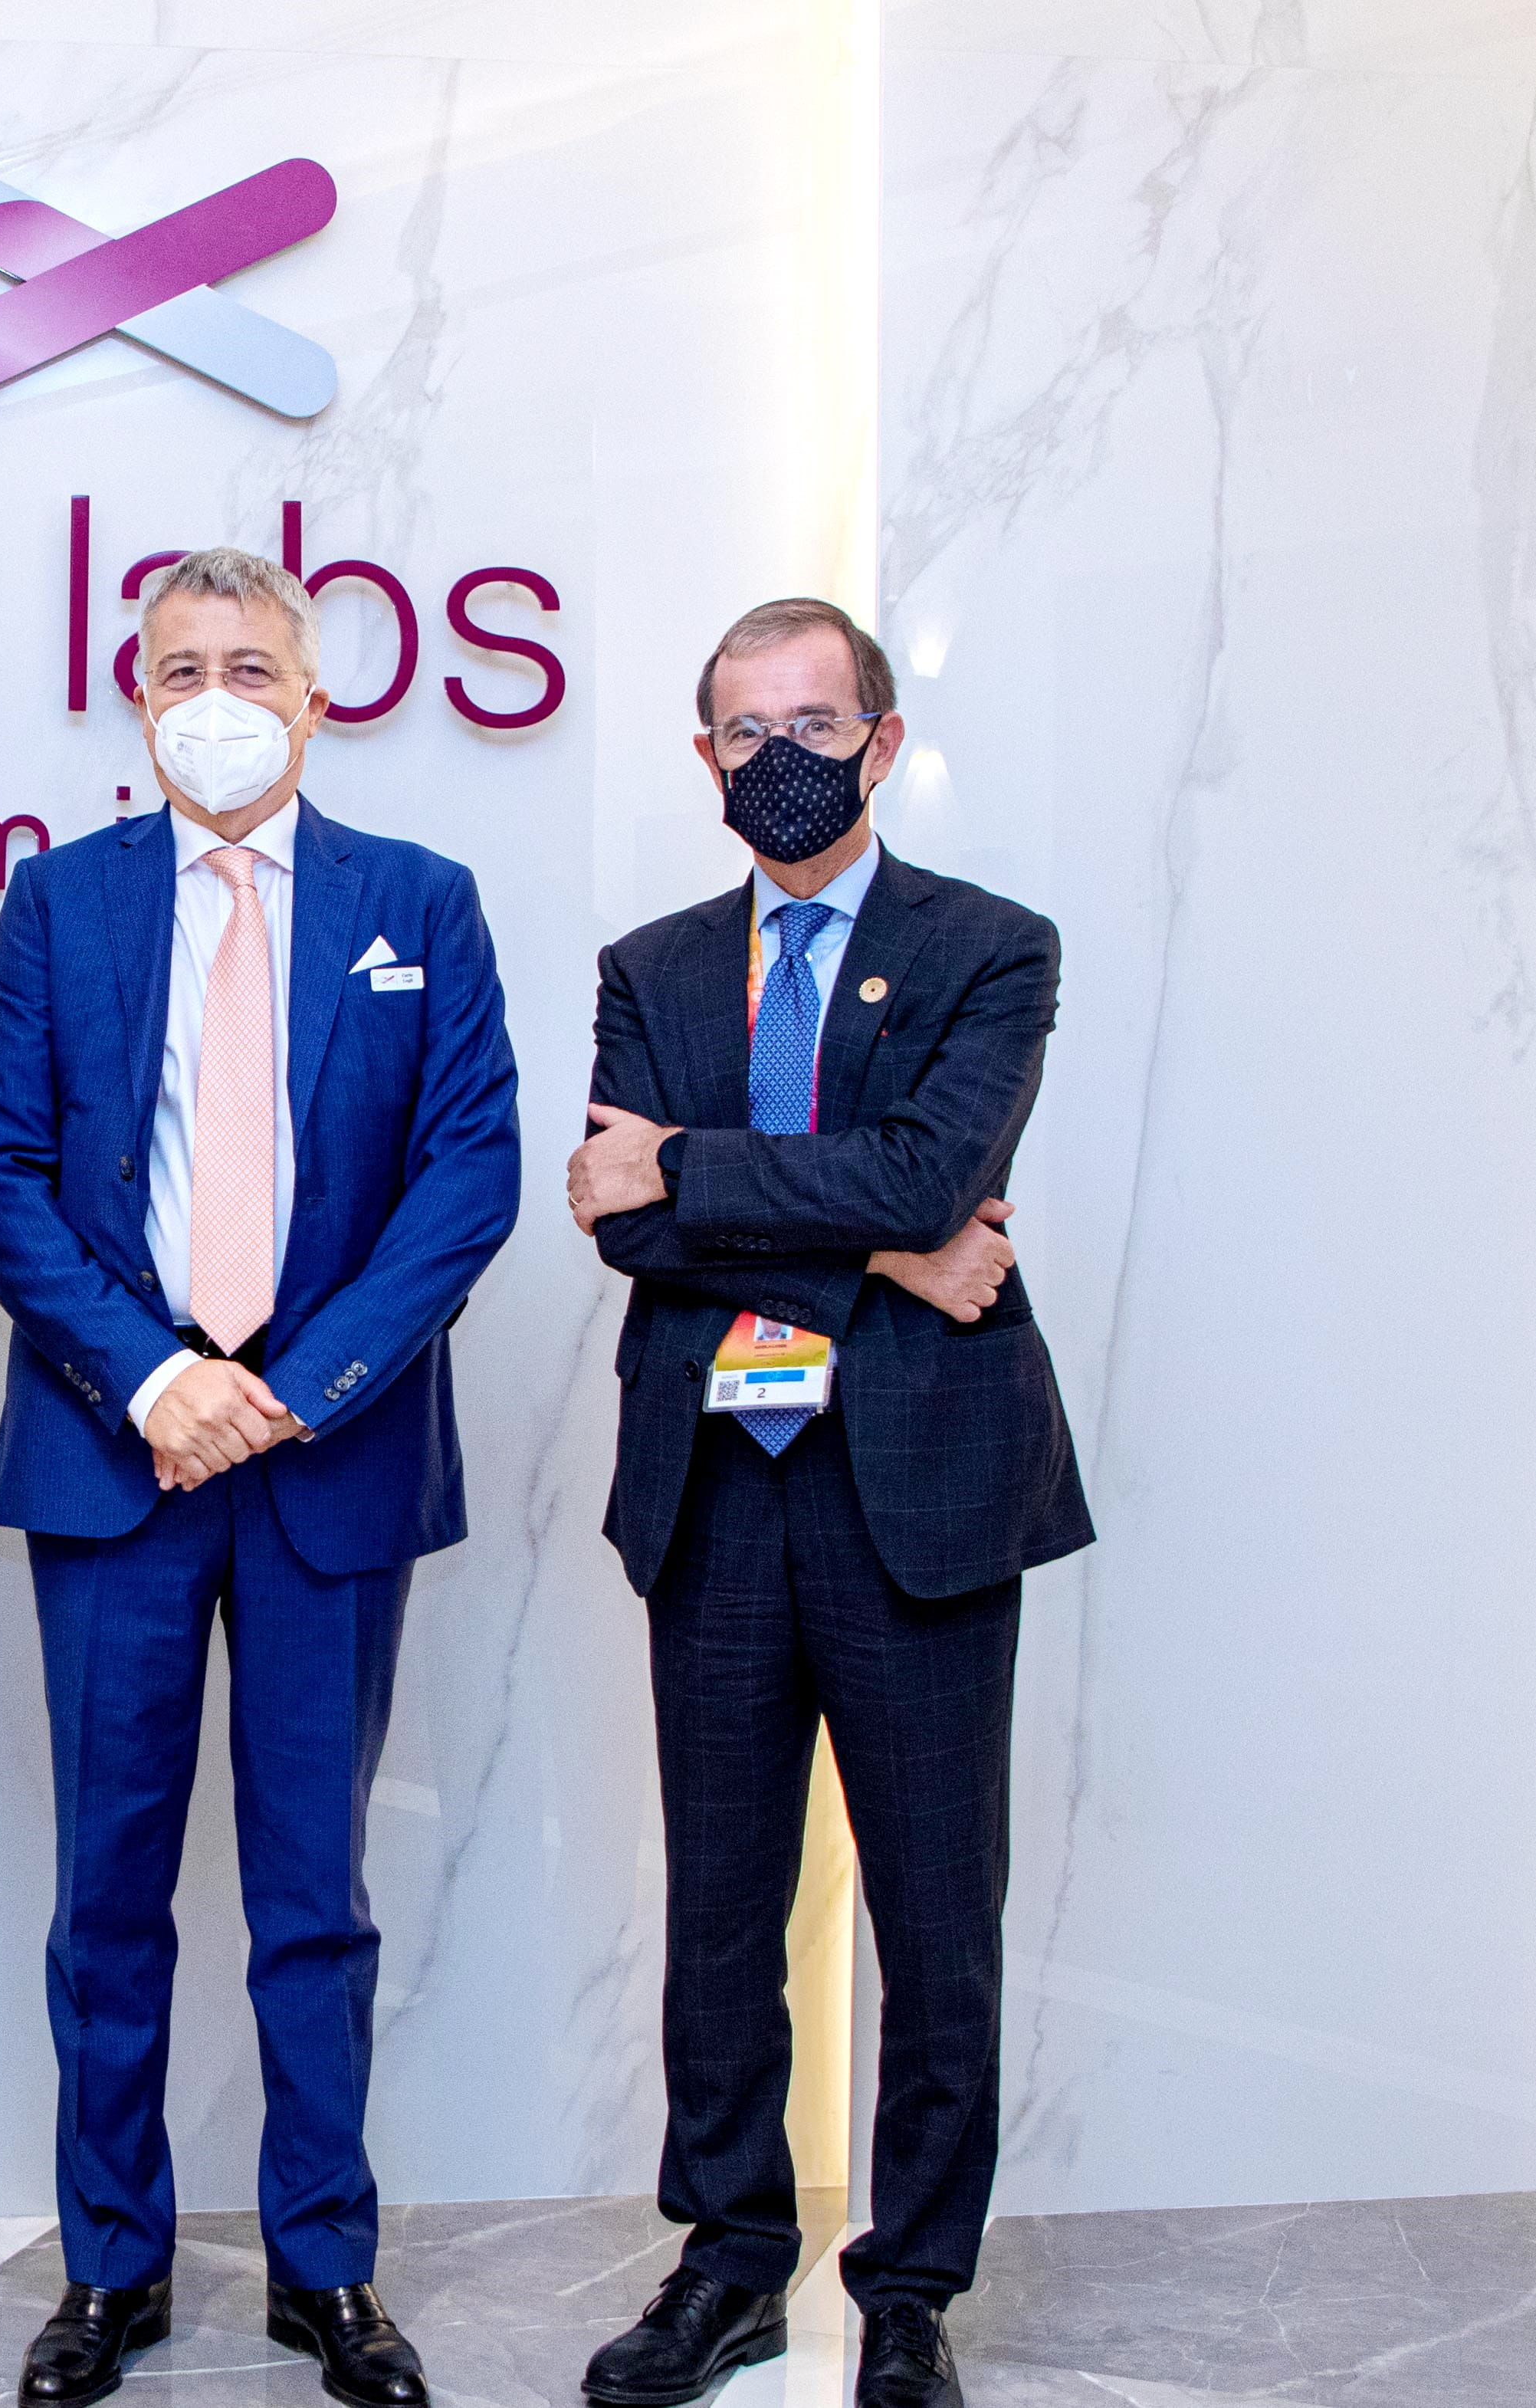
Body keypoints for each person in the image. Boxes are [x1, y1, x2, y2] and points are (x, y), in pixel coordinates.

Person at [0, 547, 521, 2408]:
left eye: (251, 666)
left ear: (314, 696)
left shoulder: (417, 900)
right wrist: (149, 1376)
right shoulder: (61, 902)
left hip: (321, 1463)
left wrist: (300, 1386)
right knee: (107, 1893)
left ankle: (324, 2266)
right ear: (138, 699)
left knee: (313, 1896)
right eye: (181, 666)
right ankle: (108, 2266)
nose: (217, 697)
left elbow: (468, 1174)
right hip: (119, 1455)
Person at [564, 598, 1091, 2408]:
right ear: (701, 754)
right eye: (744, 729)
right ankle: (726, 2260)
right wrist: (882, 1248)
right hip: (713, 1486)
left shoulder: (987, 946)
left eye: (812, 722)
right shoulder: (648, 966)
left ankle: (912, 2287)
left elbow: (933, 1166)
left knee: (935, 1919)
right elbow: (618, 1220)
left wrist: (707, 1173)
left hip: (919, 1490)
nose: (777, 755)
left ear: (880, 737)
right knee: (721, 1907)